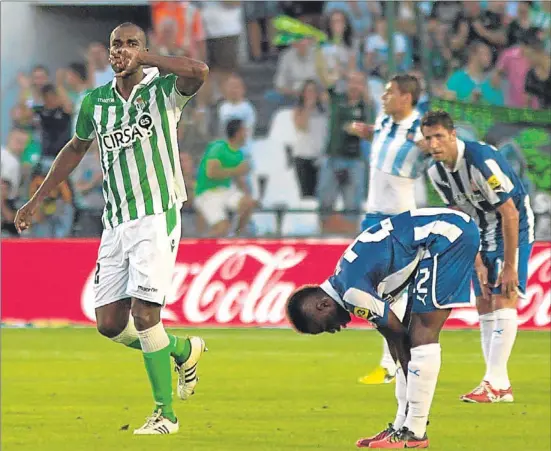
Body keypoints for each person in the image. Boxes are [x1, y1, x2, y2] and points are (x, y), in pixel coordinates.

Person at [14, 22, 209, 435]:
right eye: (117, 44)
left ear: (144, 49)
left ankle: (166, 415)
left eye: (131, 44)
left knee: (145, 315)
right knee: (108, 323)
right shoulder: (96, 101)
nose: (122, 50)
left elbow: (200, 70)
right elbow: (75, 149)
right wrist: (37, 199)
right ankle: (181, 349)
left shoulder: (162, 90)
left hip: (156, 214)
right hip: (116, 221)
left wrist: (149, 61)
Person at [286, 207, 481, 449]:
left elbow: (398, 337)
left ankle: (415, 432)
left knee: (421, 334)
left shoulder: (351, 293)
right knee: (409, 339)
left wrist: (415, 401)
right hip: (440, 234)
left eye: (324, 326)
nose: (334, 330)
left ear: (323, 304)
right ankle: (402, 426)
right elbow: (394, 338)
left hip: (446, 236)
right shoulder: (344, 278)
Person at [423, 110, 535, 403]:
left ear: (452, 136)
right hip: (480, 233)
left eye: (439, 136)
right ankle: (500, 385)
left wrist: (510, 266)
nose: (434, 144)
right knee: (484, 300)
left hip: (514, 228)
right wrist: (475, 262)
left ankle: (494, 383)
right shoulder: (436, 173)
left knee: (503, 294)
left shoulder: (481, 161)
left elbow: (510, 212)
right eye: (428, 138)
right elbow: (460, 215)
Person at [349, 74, 430, 385]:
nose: (383, 97)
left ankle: (392, 362)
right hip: (372, 216)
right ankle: (396, 360)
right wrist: (367, 132)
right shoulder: (384, 120)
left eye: (389, 93)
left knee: (389, 292)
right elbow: (384, 139)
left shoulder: (420, 129)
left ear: (406, 98)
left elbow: (436, 151)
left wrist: (425, 146)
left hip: (399, 218)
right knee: (377, 291)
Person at [194, 118, 257, 237]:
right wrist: (237, 170)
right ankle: (200, 248)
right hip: (207, 193)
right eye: (245, 131)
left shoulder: (239, 154)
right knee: (222, 228)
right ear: (238, 132)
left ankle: (235, 237)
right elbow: (211, 172)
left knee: (247, 204)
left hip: (225, 191)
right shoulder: (218, 147)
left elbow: (239, 180)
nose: (247, 134)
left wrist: (249, 197)